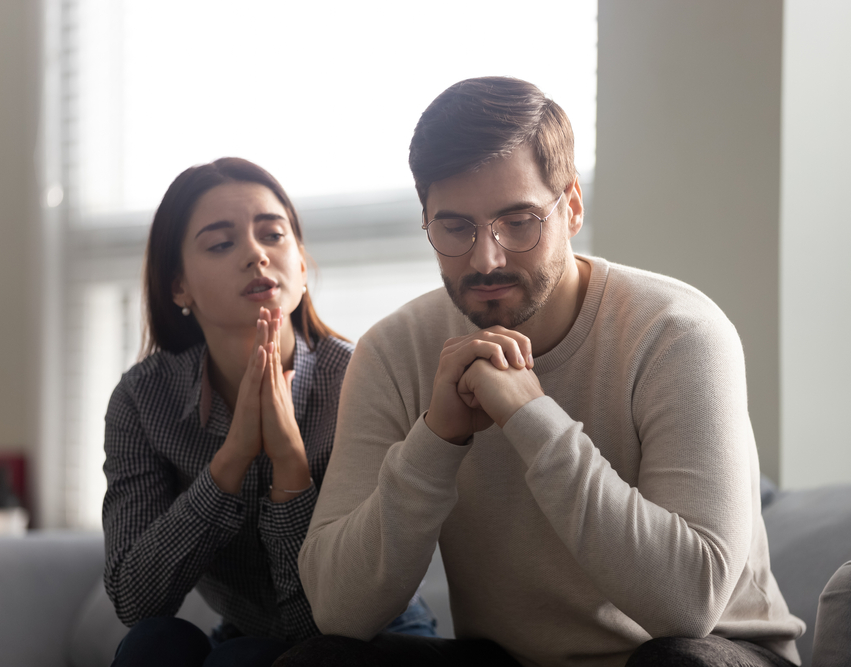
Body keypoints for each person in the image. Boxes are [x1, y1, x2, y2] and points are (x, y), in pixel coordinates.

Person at [278, 77, 807, 667]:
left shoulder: (678, 332)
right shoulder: (392, 352)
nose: (486, 258)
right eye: (455, 228)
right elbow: (338, 610)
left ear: (573, 204)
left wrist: (532, 419)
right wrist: (437, 438)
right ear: (426, 221)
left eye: (519, 220)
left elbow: (689, 604)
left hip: (708, 652)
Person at [102, 158, 436, 667]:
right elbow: (136, 600)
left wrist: (290, 467)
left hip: (369, 639)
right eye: (221, 244)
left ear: (301, 263)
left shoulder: (362, 382)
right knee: (155, 645)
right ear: (178, 287)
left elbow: (320, 625)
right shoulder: (143, 401)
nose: (256, 255)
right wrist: (229, 462)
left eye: (273, 235)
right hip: (245, 636)